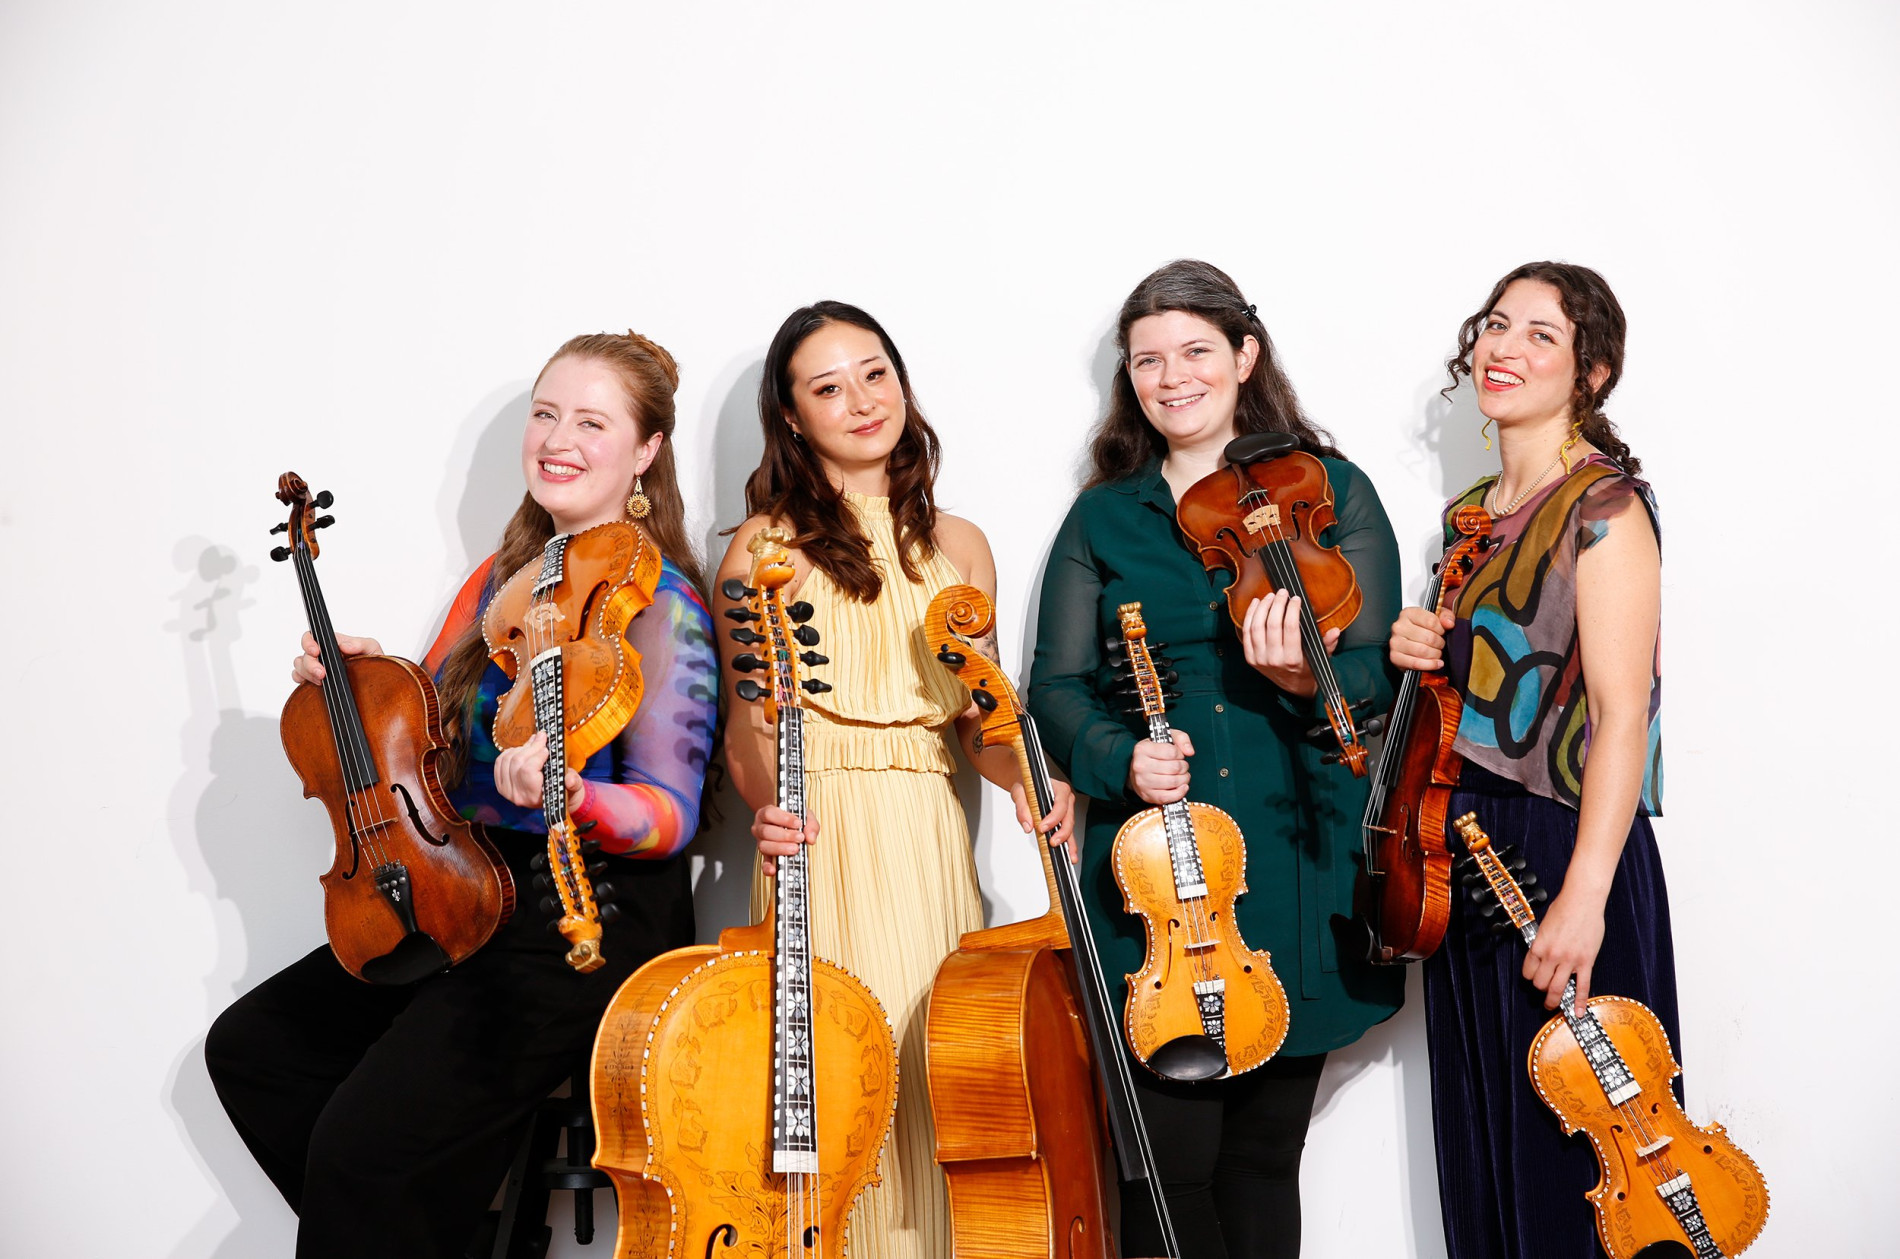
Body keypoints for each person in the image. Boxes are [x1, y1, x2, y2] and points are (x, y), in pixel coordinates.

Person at [205, 331, 717, 1259]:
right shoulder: (498, 582)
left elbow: (670, 813)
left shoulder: (663, 601)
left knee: (363, 1154)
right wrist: (361, 684)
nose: (557, 437)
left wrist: (574, 794)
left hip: (581, 913)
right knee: (256, 1050)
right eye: (546, 412)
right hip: (467, 889)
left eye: (591, 421)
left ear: (644, 452)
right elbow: (432, 750)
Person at [1026, 259, 1405, 1259]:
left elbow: (1377, 672)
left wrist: (1302, 680)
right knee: (1166, 1162)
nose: (1171, 375)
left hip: (1294, 852)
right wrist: (1118, 759)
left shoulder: (1329, 490)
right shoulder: (1104, 517)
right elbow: (1052, 689)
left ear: (1244, 355)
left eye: (1195, 349)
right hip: (1158, 872)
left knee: (1263, 1157)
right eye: (1146, 358)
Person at [720, 300, 1074, 1259]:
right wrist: (770, 806)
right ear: (792, 417)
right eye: (827, 387)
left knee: (941, 1083)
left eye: (875, 373)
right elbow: (747, 730)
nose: (861, 400)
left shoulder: (959, 546)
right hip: (820, 828)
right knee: (836, 1083)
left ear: (903, 382)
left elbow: (978, 724)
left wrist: (1026, 778)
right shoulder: (763, 548)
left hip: (924, 830)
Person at [1387, 261, 1675, 1259]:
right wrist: (1424, 649)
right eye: (1495, 325)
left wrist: (1586, 895)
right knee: (1488, 1141)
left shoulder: (1605, 507)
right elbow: (1483, 692)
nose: (1503, 348)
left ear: (1589, 371)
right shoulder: (1472, 512)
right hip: (1463, 842)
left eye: (1539, 335)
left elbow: (1618, 713)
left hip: (1565, 840)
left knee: (1587, 1155)